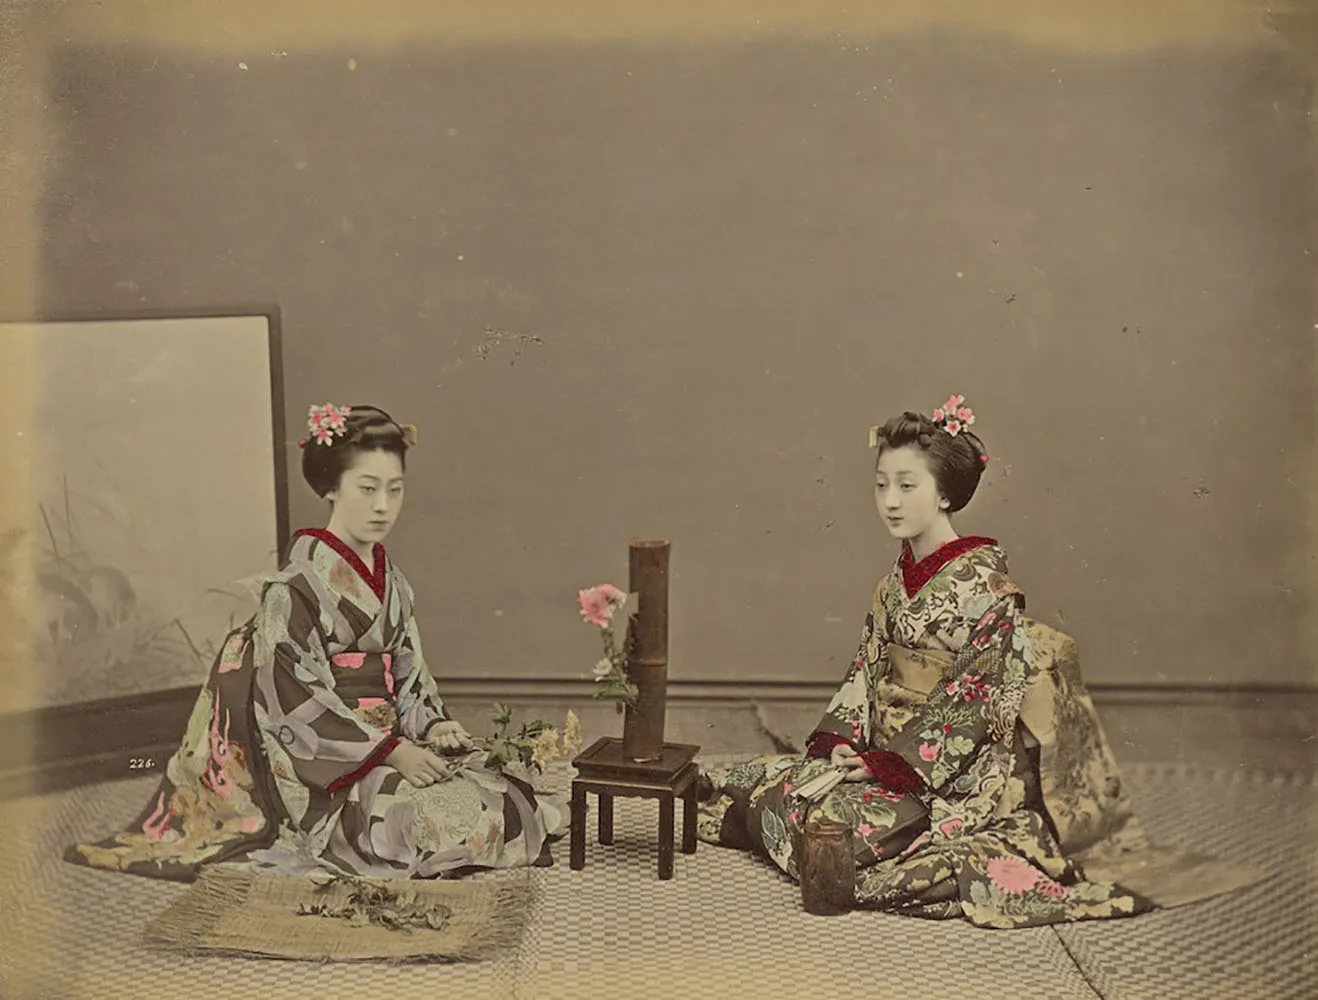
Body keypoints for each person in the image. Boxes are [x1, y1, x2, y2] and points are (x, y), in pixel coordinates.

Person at [695, 395, 1261, 928]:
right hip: (879, 754)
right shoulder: (892, 584)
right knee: (783, 791)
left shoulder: (988, 590)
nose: (890, 501)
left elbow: (975, 701)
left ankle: (855, 848)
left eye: (907, 486)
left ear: (945, 494)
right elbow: (865, 670)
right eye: (881, 485)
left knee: (827, 825)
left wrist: (888, 765)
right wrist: (847, 743)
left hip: (948, 774)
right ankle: (827, 838)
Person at [65, 403, 568, 881]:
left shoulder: (394, 583)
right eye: (367, 488)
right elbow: (295, 705)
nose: (383, 506)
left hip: (391, 744)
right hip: (330, 771)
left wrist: (434, 726)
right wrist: (390, 752)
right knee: (425, 813)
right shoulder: (295, 591)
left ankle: (494, 818)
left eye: (395, 489)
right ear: (331, 487)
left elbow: (411, 679)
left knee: (496, 780)